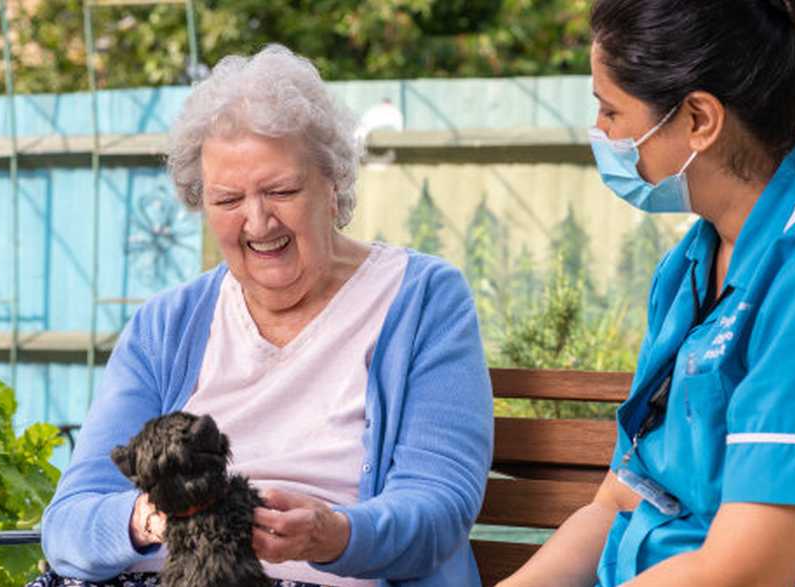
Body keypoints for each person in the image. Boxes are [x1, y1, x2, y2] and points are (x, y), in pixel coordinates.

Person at [501, 1, 795, 585]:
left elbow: (746, 572)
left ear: (699, 119)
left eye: (611, 110)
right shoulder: (694, 264)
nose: (602, 134)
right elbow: (617, 500)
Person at [31, 44, 493, 587]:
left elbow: (438, 508)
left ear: (333, 184)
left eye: (282, 190)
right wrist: (154, 518)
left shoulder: (422, 300)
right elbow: (68, 523)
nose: (258, 222)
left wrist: (335, 534)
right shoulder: (166, 325)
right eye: (228, 200)